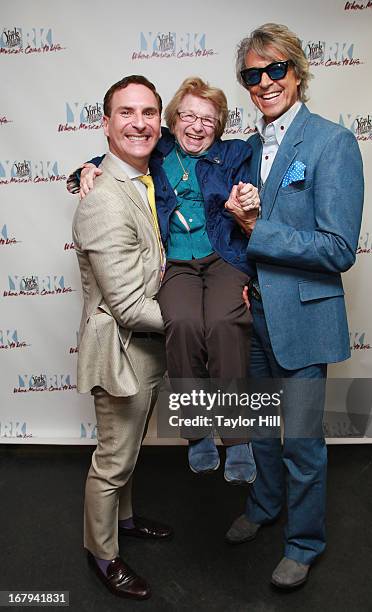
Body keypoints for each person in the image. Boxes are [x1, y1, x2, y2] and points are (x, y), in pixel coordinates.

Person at [224, 23, 364, 589]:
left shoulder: (333, 142)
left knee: (302, 440)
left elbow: (338, 249)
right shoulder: (251, 146)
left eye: (275, 69)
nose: (264, 82)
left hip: (303, 318)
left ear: (299, 71)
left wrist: (259, 228)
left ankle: (304, 542)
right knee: (260, 427)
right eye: (252, 75)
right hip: (253, 315)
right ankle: (264, 506)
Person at [69, 77, 260, 484]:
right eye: (188, 115)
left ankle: (238, 437)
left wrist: (244, 201)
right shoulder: (158, 146)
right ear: (173, 120)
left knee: (226, 323)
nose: (197, 125)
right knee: (184, 322)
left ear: (220, 124)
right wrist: (88, 169)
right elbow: (116, 154)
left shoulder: (235, 153)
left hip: (223, 255)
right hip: (173, 260)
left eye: (208, 119)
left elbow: (254, 193)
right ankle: (196, 432)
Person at [72, 75, 173, 601]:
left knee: (127, 452)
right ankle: (102, 553)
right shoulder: (104, 200)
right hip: (121, 352)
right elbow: (130, 305)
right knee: (112, 460)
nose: (140, 122)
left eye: (149, 112)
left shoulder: (146, 174)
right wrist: (195, 322)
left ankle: (124, 523)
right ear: (106, 123)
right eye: (126, 112)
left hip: (145, 349)